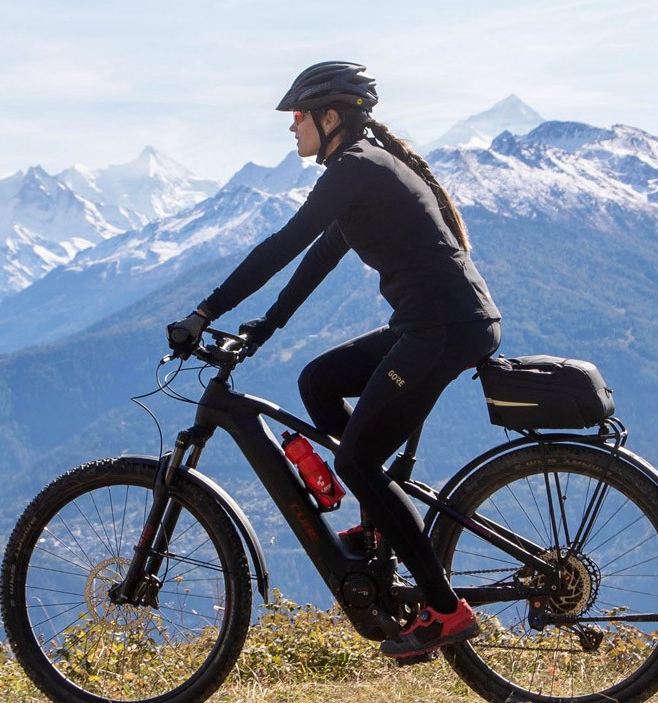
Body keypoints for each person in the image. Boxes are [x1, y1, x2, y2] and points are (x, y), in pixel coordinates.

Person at [167, 61, 502, 659]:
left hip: (444, 331)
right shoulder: (365, 172)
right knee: (319, 381)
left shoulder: (356, 169)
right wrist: (265, 326)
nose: (291, 128)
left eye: (298, 117)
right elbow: (319, 257)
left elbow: (283, 245)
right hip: (433, 325)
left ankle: (445, 610)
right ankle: (381, 517)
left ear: (330, 118)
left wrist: (203, 312)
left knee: (359, 460)